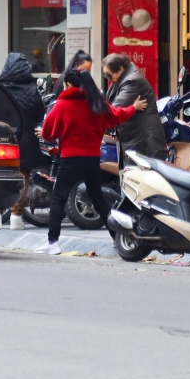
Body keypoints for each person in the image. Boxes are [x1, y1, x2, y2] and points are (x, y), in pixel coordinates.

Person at [36, 69, 145, 255]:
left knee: (58, 198)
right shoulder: (97, 103)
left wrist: (46, 134)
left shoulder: (62, 104)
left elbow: (48, 133)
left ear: (68, 85)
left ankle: (53, 242)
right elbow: (117, 116)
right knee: (99, 200)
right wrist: (134, 107)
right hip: (93, 159)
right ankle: (116, 238)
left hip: (69, 159)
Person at [0, 54, 47, 231]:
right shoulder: (32, 91)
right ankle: (16, 217)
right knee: (23, 178)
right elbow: (39, 116)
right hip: (26, 141)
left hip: (3, 139)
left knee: (0, 177)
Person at [103, 53, 167, 159]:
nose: (108, 79)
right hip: (134, 141)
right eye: (105, 76)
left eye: (109, 75)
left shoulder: (132, 81)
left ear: (121, 69)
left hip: (143, 144)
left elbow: (115, 108)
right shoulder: (122, 81)